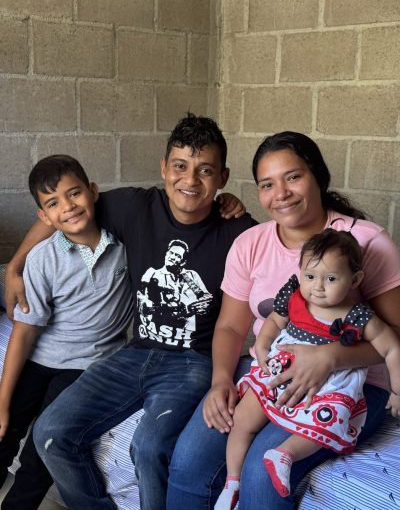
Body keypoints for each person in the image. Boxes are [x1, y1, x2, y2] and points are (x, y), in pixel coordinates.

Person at [5, 113, 256, 510]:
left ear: (222, 177)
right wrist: (16, 265)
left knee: (149, 447)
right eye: (180, 166)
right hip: (134, 352)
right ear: (164, 167)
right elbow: (65, 212)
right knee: (50, 431)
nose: (190, 180)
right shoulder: (136, 207)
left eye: (205, 171)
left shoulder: (239, 232)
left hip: (192, 361)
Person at [166, 130, 400, 510]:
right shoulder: (251, 243)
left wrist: (331, 357)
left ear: (317, 176)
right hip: (272, 366)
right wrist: (221, 381)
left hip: (352, 383)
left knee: (263, 471)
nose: (281, 193)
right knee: (189, 459)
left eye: (293, 177)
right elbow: (230, 327)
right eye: (267, 184)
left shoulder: (366, 241)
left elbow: (395, 337)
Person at [215, 229, 400, 508]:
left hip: (329, 383)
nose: (318, 287)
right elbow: (274, 321)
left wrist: (397, 391)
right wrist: (263, 345)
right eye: (310, 276)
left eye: (331, 278)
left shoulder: (357, 316)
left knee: (327, 421)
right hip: (281, 370)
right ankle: (233, 482)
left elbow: (392, 348)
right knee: (242, 419)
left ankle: (285, 454)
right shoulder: (294, 298)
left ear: (355, 279)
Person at [0, 155, 133, 509]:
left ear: (93, 192)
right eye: (53, 203)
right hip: (41, 358)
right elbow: (24, 333)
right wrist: (2, 401)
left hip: (84, 367)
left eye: (74, 193)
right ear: (44, 217)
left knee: (40, 449)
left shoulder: (125, 247)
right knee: (5, 429)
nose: (68, 207)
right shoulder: (43, 258)